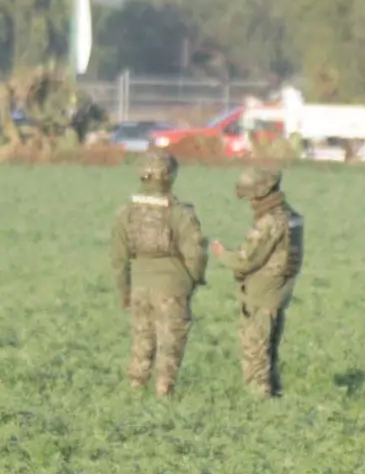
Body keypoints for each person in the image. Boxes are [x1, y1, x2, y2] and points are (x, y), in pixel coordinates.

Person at [110, 151, 205, 396]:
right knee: (170, 341)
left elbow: (118, 259)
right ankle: (164, 391)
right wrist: (193, 279)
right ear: (171, 176)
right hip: (173, 285)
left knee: (142, 337)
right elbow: (195, 252)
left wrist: (125, 292)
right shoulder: (180, 212)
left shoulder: (125, 212)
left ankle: (136, 386)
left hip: (139, 285)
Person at [211, 167, 303, 399]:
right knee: (268, 354)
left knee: (256, 357)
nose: (250, 200)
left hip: (261, 297)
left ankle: (259, 405)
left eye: (251, 195)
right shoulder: (290, 216)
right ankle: (274, 401)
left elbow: (246, 260)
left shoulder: (270, 222)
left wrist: (222, 253)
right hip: (276, 294)